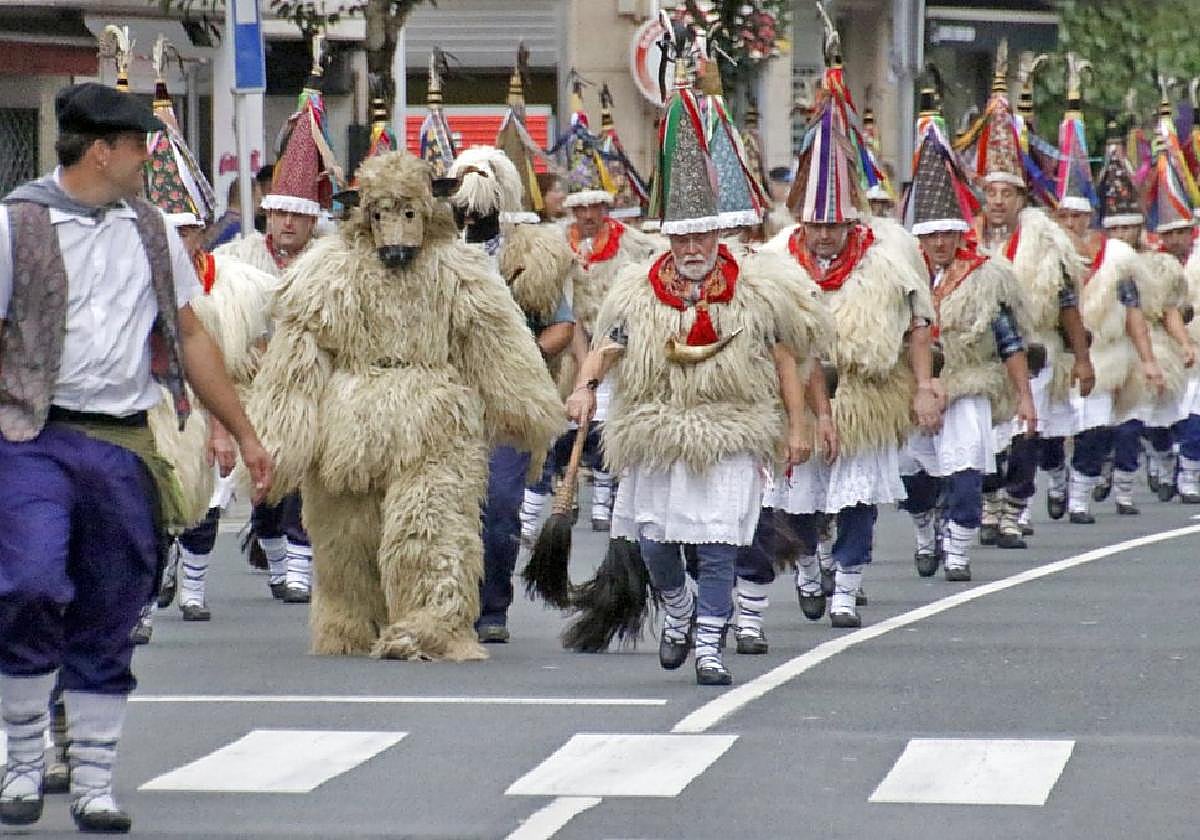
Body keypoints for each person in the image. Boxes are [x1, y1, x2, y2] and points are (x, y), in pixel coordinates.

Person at [0, 81, 272, 833]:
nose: (150, 162)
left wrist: (243, 432)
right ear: (101, 151)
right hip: (31, 435)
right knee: (26, 584)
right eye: (140, 148)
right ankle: (22, 761)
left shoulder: (149, 229)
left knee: (111, 605)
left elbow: (188, 336)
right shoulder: (14, 226)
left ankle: (92, 779)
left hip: (122, 438)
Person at [568, 55, 829, 686]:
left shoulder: (757, 288)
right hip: (657, 432)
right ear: (667, 239)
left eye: (701, 238)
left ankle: (709, 647)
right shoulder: (636, 290)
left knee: (717, 550)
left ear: (717, 234)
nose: (691, 250)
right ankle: (678, 611)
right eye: (681, 239)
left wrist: (798, 424)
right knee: (655, 545)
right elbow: (612, 343)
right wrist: (585, 384)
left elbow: (784, 358)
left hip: (732, 429)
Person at [213, 41, 340, 602]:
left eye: (298, 214)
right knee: (261, 494)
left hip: (315, 387)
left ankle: (299, 565)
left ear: (312, 219)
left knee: (306, 476)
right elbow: (222, 330)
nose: (288, 223)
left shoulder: (334, 263)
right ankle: (265, 536)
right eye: (280, 213)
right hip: (251, 385)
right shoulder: (240, 260)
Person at [965, 43, 1093, 548]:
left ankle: (1013, 509)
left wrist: (1082, 359)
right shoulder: (965, 239)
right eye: (990, 192)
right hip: (977, 358)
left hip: (1034, 354)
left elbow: (1066, 305)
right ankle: (989, 504)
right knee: (980, 443)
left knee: (1024, 436)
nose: (997, 202)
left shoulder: (1046, 241)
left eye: (1007, 193)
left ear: (1022, 196)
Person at [450, 145, 576, 643]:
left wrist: (517, 356)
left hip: (506, 401)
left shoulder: (533, 255)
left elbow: (562, 327)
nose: (474, 213)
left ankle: (492, 604)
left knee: (500, 503)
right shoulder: (434, 253)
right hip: (444, 398)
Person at [900, 119, 1037, 581]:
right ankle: (924, 529)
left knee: (964, 475)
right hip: (911, 389)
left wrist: (1024, 396)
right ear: (918, 235)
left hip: (968, 385)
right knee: (911, 480)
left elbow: (1009, 341)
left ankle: (958, 550)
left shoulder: (985, 276)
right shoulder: (898, 276)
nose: (940, 242)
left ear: (961, 232)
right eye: (931, 233)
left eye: (948, 233)